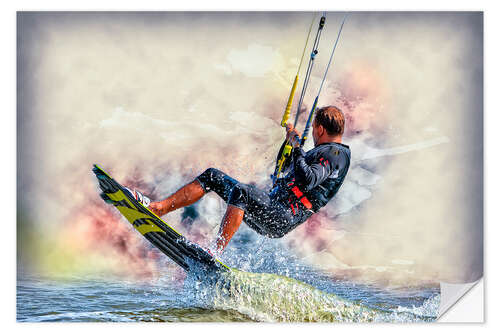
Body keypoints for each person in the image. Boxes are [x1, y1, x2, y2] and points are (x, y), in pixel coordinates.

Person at [143, 106, 351, 256]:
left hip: (282, 216)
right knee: (212, 176)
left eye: (314, 128)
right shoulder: (328, 153)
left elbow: (307, 180)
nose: (313, 133)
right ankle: (159, 208)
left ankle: (215, 251)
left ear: (320, 129)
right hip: (274, 207)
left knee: (241, 191)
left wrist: (297, 146)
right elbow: (296, 173)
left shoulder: (335, 153)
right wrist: (289, 151)